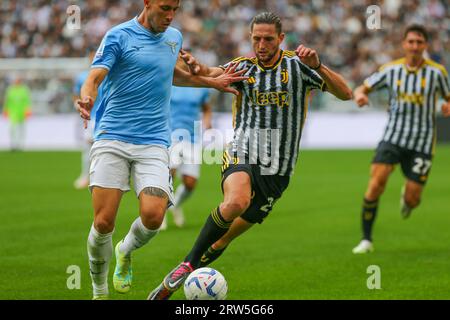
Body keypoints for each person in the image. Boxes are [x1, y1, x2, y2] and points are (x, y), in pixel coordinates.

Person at [148, 11, 352, 300]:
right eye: (256, 38)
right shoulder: (243, 67)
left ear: (281, 38)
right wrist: (197, 67)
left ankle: (194, 268)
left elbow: (346, 94)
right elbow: (211, 73)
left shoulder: (298, 66)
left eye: (268, 39)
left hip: (278, 170)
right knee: (235, 201)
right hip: (242, 150)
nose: (262, 44)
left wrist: (318, 66)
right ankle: (185, 267)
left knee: (221, 241)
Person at [76, 0, 248, 300]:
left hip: (154, 140)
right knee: (104, 222)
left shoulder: (174, 37)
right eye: (164, 8)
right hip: (112, 138)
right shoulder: (119, 36)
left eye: (175, 10)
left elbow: (173, 74)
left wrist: (212, 82)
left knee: (154, 217)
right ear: (147, 3)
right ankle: (99, 291)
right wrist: (87, 98)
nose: (170, 16)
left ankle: (125, 250)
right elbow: (94, 77)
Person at [352, 24, 450, 254]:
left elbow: (448, 96)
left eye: (419, 42)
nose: (415, 46)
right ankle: (366, 240)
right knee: (376, 183)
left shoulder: (437, 73)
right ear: (404, 44)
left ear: (425, 45)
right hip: (393, 137)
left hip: (422, 142)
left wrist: (447, 106)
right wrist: (359, 96)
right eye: (411, 42)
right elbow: (362, 88)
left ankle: (407, 199)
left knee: (414, 199)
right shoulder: (390, 70)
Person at [160, 85, 212, 230]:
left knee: (190, 183)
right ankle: (161, 212)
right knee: (169, 175)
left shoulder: (200, 86)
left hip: (193, 138)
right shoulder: (169, 81)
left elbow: (206, 108)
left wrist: (207, 122)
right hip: (171, 135)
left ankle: (175, 205)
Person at [72, 50, 103, 189]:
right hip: (91, 118)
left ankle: (100, 177)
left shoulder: (107, 75)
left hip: (107, 117)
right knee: (88, 147)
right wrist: (77, 105)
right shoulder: (82, 77)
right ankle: (86, 176)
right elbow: (75, 95)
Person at [2, 77, 31, 151]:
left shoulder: (24, 90)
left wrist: (28, 110)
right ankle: (13, 144)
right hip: (13, 112)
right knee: (12, 128)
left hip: (22, 112)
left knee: (22, 128)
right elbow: (7, 101)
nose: (17, 82)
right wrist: (5, 110)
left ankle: (21, 145)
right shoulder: (10, 90)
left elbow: (27, 101)